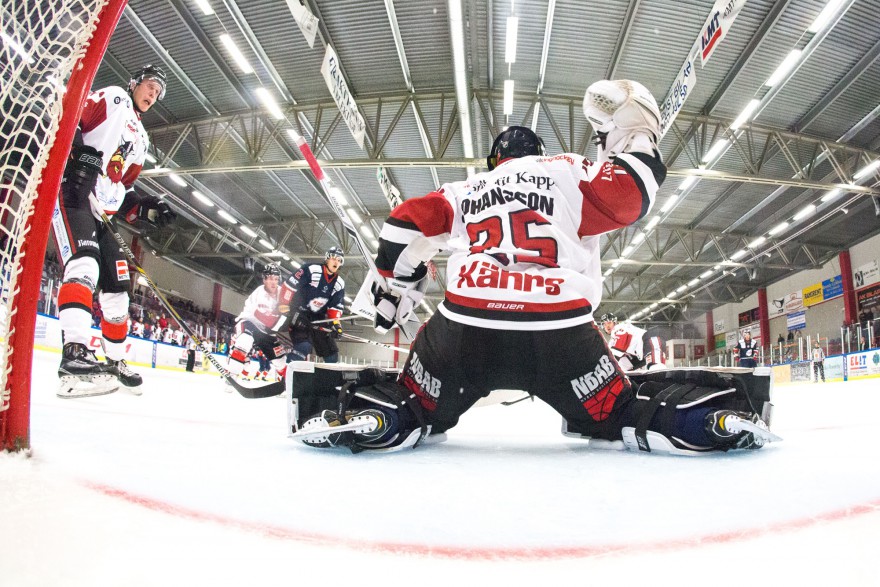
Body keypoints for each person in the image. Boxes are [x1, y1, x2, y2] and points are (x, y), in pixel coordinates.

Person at [287, 80, 777, 455]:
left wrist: (397, 290)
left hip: (467, 326)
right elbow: (629, 195)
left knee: (418, 403)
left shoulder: (468, 191)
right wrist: (635, 132)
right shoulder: (571, 171)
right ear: (538, 156)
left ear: (494, 160)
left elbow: (401, 228)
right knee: (619, 412)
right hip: (558, 331)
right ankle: (712, 419)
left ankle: (368, 416)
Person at [52, 64, 176, 398]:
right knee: (84, 265)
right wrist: (78, 151)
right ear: (135, 83)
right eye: (150, 85)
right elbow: (72, 113)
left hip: (102, 212)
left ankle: (116, 362)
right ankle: (73, 358)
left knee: (119, 286)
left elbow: (121, 189)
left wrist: (146, 207)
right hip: (74, 195)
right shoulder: (115, 97)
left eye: (158, 92)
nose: (153, 94)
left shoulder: (142, 139)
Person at [280, 247, 346, 363]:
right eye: (334, 258)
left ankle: (329, 380)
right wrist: (284, 307)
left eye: (339, 260)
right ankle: (287, 375)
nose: (336, 262)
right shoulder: (310, 269)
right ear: (327, 258)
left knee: (331, 355)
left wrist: (335, 324)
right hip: (299, 313)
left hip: (318, 319)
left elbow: (335, 307)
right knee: (303, 348)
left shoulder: (339, 283)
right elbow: (289, 285)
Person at [226, 264, 288, 382]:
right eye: (270, 278)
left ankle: (286, 384)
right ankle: (231, 378)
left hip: (267, 331)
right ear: (264, 279)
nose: (273, 282)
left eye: (275, 279)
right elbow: (256, 315)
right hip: (250, 323)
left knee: (280, 361)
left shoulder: (283, 294)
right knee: (245, 341)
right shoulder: (259, 292)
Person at [599, 313, 665, 370]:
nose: (607, 326)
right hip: (639, 354)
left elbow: (618, 348)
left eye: (609, 323)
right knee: (620, 369)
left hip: (650, 341)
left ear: (615, 322)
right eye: (604, 324)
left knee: (656, 370)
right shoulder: (612, 340)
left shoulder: (619, 327)